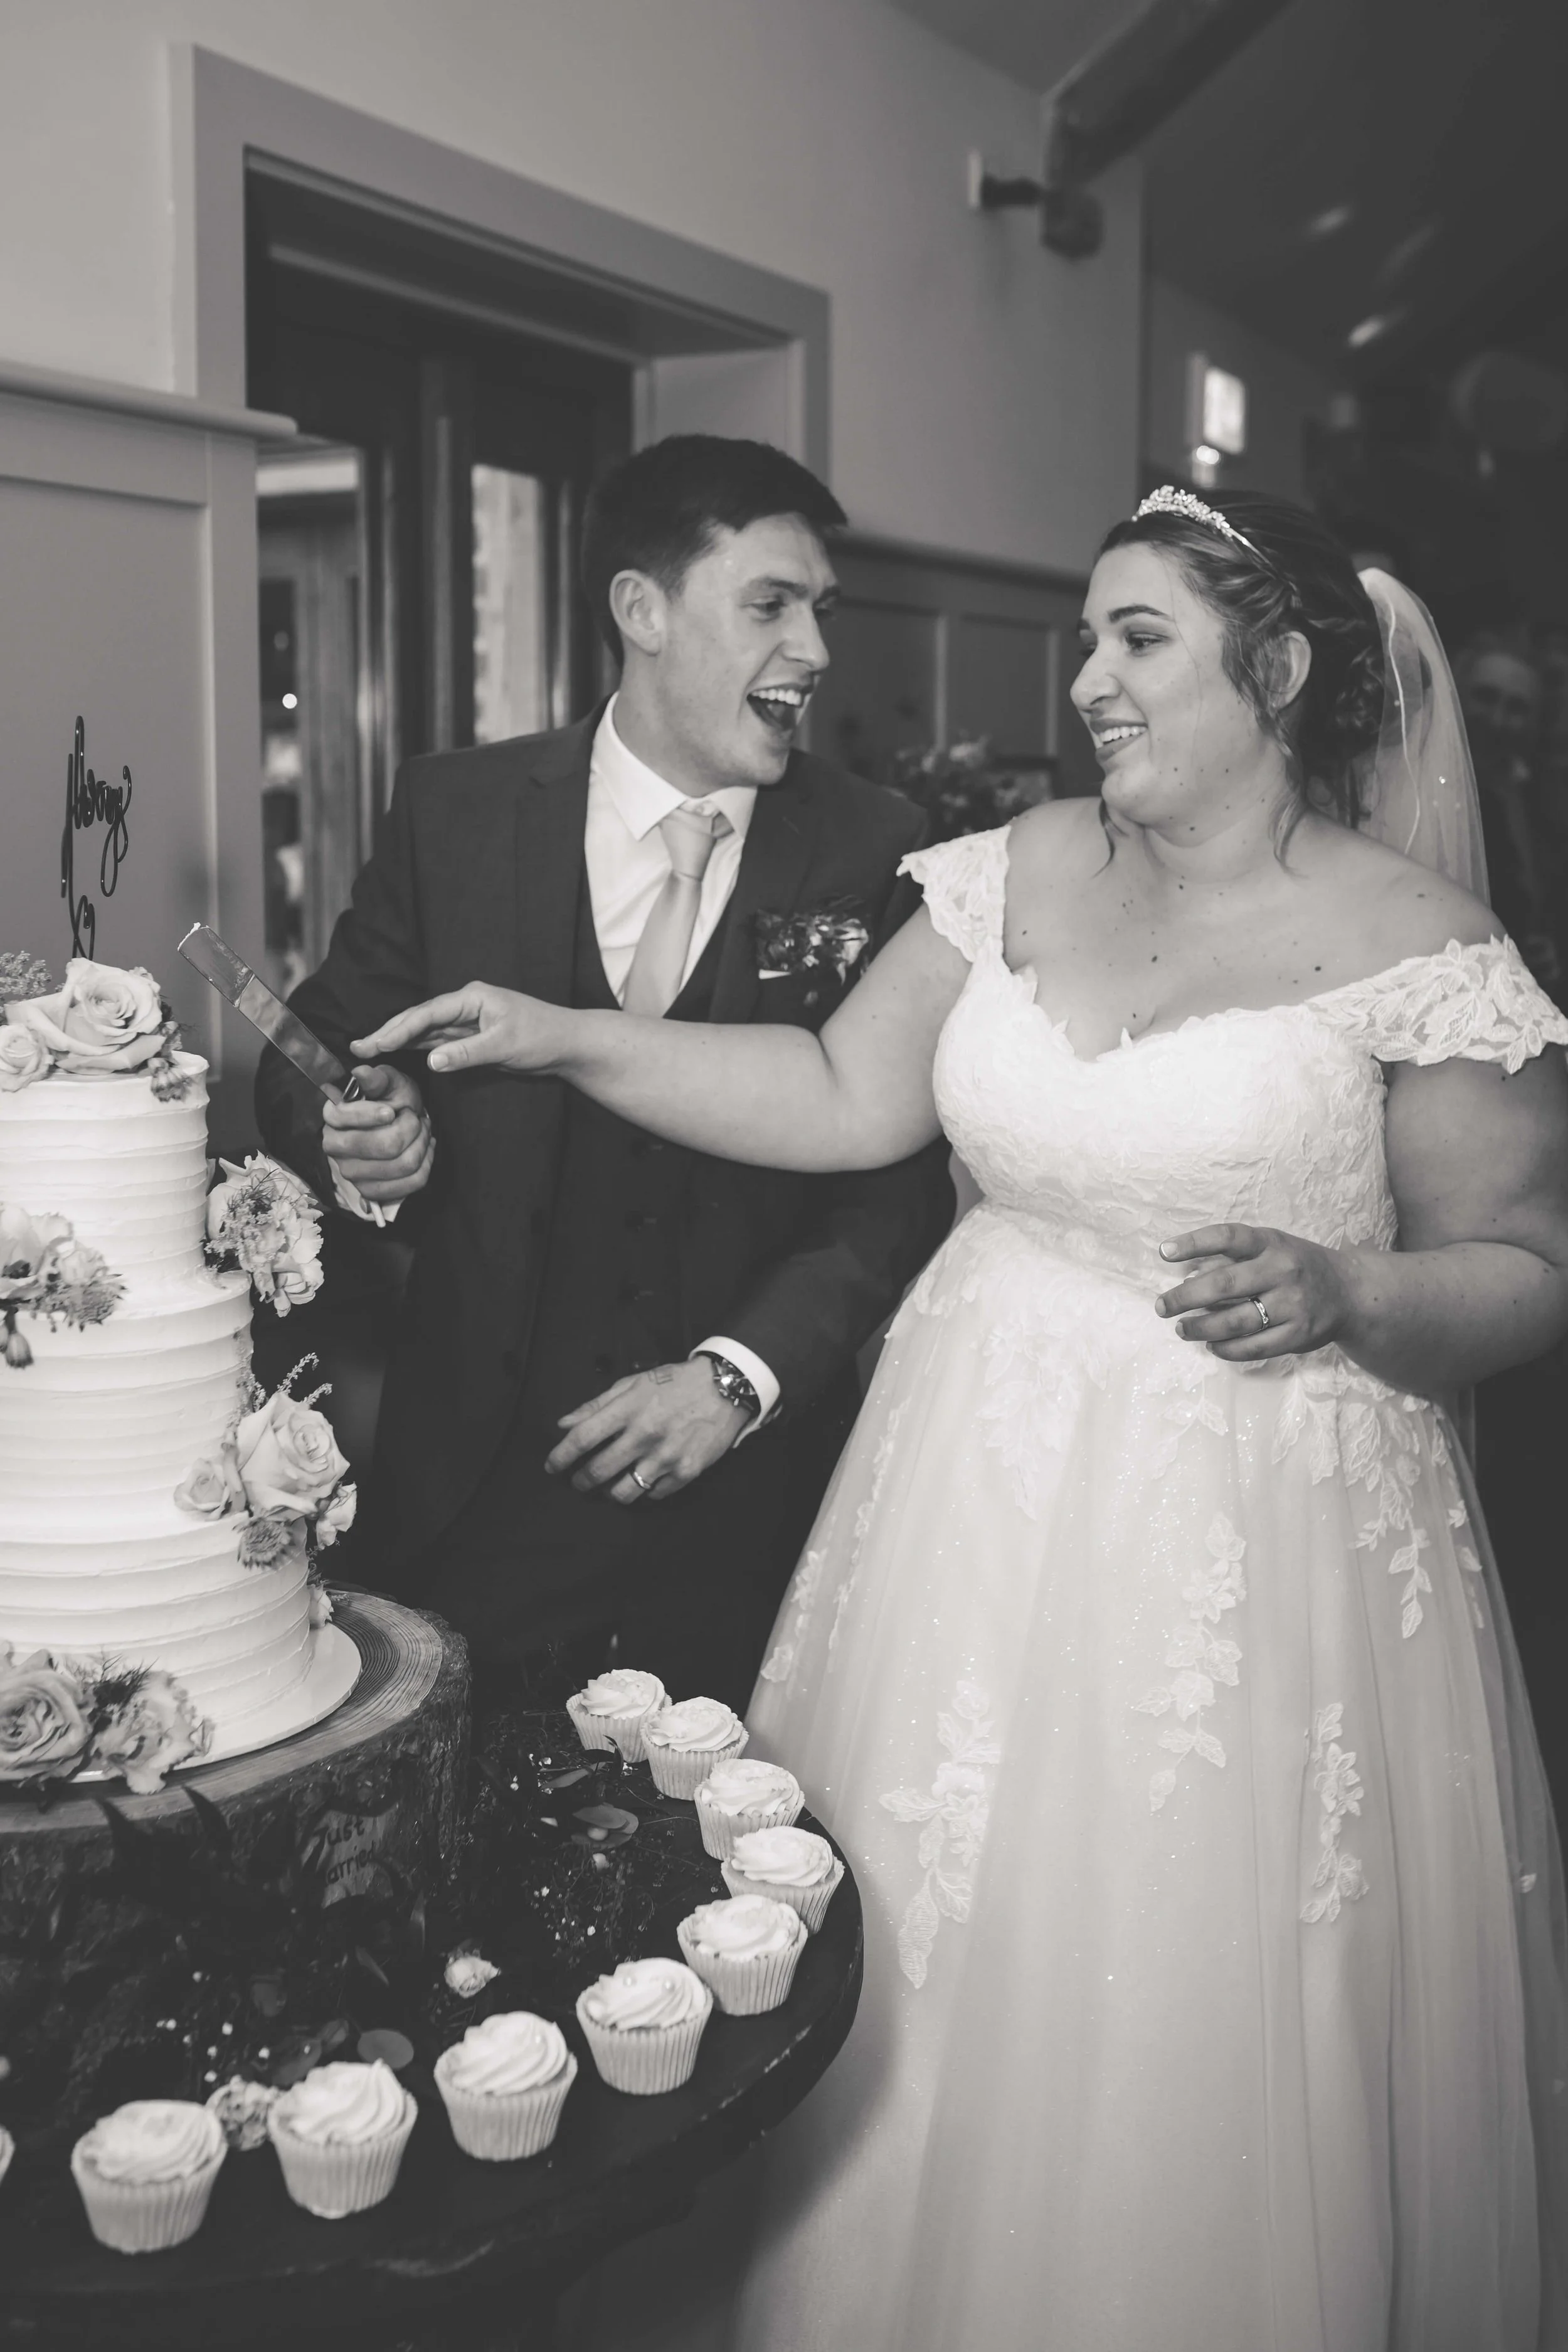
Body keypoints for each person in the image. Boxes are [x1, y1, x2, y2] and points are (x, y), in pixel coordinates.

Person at [358, 488, 1568, 2350]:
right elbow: (846, 1089)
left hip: (1251, 1539)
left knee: (1185, 1998)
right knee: (917, 1950)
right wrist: (565, 1031)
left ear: (1281, 665)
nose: (1082, 680)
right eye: (1079, 636)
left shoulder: (1420, 946)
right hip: (970, 1500)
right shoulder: (1006, 869)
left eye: (1134, 639)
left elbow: (1523, 1264)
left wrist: (1357, 1293)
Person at [255, 435, 953, 1712]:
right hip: (474, 1490)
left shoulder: (878, 847)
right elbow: (307, 1059)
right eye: (768, 606)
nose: (813, 650)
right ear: (640, 609)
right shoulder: (453, 814)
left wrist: (738, 1376)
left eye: (820, 612)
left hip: (747, 1508)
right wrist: (361, 1144)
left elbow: (894, 1182)